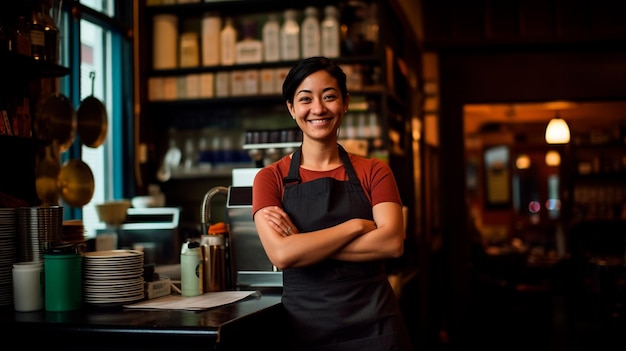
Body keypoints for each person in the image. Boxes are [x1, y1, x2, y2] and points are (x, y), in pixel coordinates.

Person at [252, 56, 413, 351]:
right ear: (291, 108)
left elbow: (391, 243)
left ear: (345, 102)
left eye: (329, 96)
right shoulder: (269, 178)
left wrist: (304, 245)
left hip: (374, 324)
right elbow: (282, 255)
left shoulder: (375, 171)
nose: (318, 109)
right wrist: (354, 226)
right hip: (305, 329)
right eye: (305, 99)